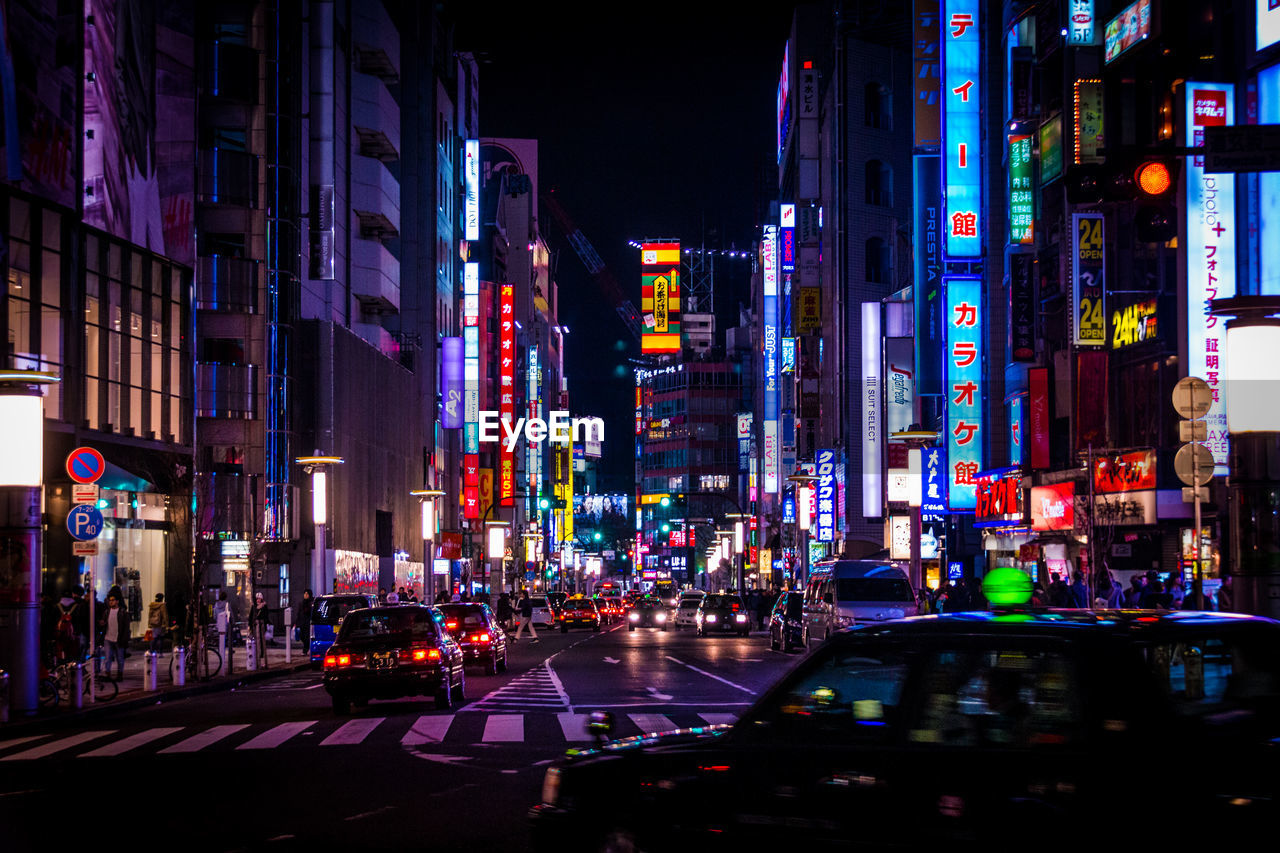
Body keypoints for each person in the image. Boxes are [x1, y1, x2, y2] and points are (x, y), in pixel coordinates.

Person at [99, 590, 130, 681]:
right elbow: (104, 624)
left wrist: (124, 640)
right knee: (108, 658)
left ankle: (120, 675)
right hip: (108, 638)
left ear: (117, 601)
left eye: (113, 600)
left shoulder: (123, 613)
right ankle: (107, 674)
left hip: (118, 639)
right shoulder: (106, 612)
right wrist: (102, 624)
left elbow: (126, 628)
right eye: (110, 600)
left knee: (120, 658)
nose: (111, 602)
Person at [249, 592, 270, 668]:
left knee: (262, 643)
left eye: (259, 598)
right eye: (257, 598)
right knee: (255, 643)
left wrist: (266, 624)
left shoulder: (264, 606)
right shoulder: (254, 607)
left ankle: (262, 660)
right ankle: (257, 661)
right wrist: (250, 626)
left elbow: (266, 616)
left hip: (262, 627)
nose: (258, 600)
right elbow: (251, 617)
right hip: (255, 627)